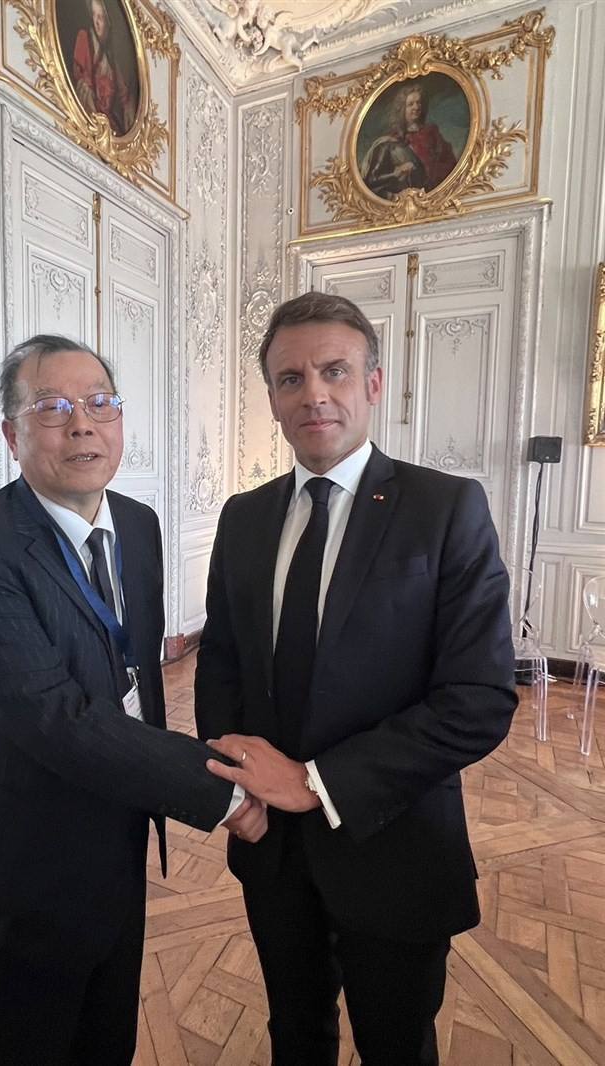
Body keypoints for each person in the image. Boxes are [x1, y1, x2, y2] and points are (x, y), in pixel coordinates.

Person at [0, 335, 267, 1066]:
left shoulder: (136, 525)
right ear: (13, 436)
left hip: (120, 830)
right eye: (52, 407)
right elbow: (54, 718)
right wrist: (223, 793)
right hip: (26, 857)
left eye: (100, 404)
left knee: (108, 1034)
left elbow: (133, 678)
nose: (82, 423)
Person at [195, 292, 516, 1066]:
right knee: (294, 1035)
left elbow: (478, 700)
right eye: (290, 378)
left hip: (392, 843)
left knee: (396, 1045)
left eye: (334, 371)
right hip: (269, 844)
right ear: (271, 398)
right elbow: (223, 665)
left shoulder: (446, 509)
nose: (314, 393)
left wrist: (315, 782)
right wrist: (234, 787)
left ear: (373, 383)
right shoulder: (243, 517)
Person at [361, 83, 457, 200]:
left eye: (418, 103)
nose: (416, 107)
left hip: (433, 189)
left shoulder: (431, 131)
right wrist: (401, 170)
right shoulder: (392, 139)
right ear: (402, 109)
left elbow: (448, 159)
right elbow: (380, 176)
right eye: (410, 104)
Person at [71, 0, 136, 136]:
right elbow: (81, 76)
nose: (97, 22)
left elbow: (124, 94)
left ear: (108, 22)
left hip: (107, 121)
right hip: (89, 115)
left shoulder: (111, 60)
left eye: (100, 17)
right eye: (94, 15)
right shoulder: (85, 38)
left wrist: (128, 106)